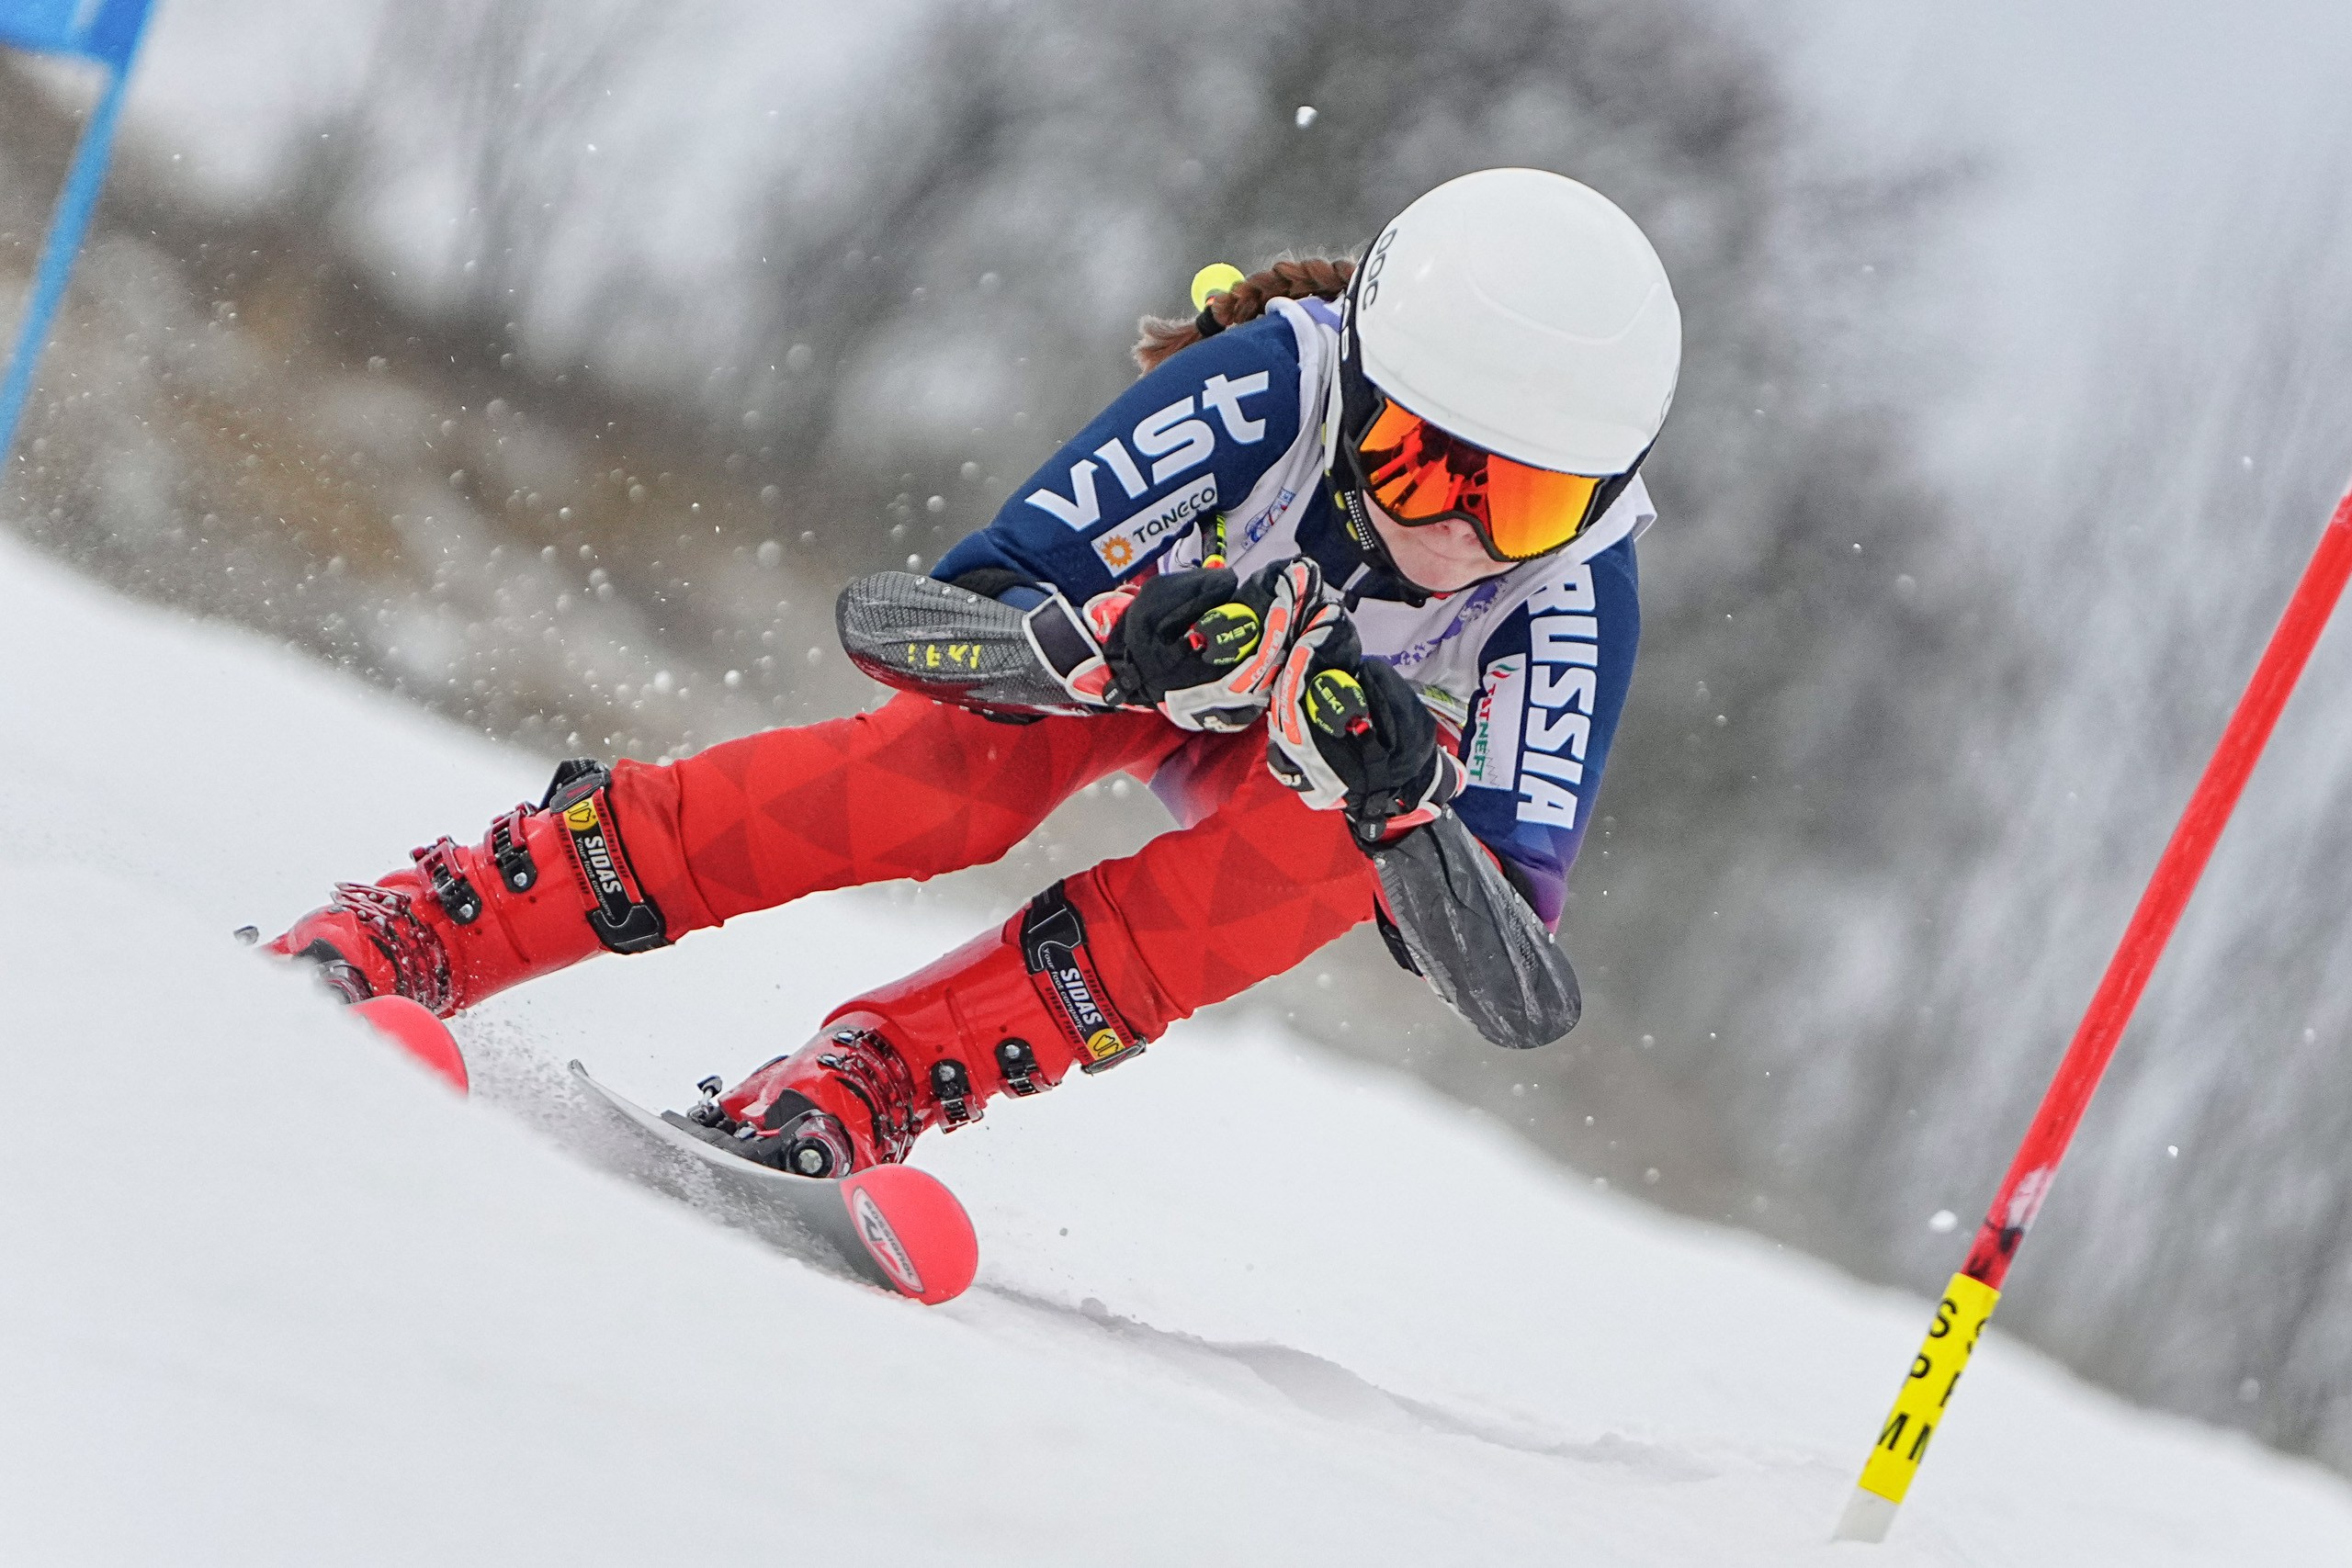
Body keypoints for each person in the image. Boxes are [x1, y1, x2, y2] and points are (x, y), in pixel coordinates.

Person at [266, 167, 1681, 1179]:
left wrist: (1405, 813)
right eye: (1418, 461)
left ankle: (879, 1070)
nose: (1455, 529)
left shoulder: (1574, 598)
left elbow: (1517, 996)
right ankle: (443, 920)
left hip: (1296, 772)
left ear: (1601, 498)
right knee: (948, 785)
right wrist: (1107, 646)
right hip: (1130, 659)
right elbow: (907, 626)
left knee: (1322, 867)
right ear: (1362, 390)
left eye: (1528, 503)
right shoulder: (1267, 390)